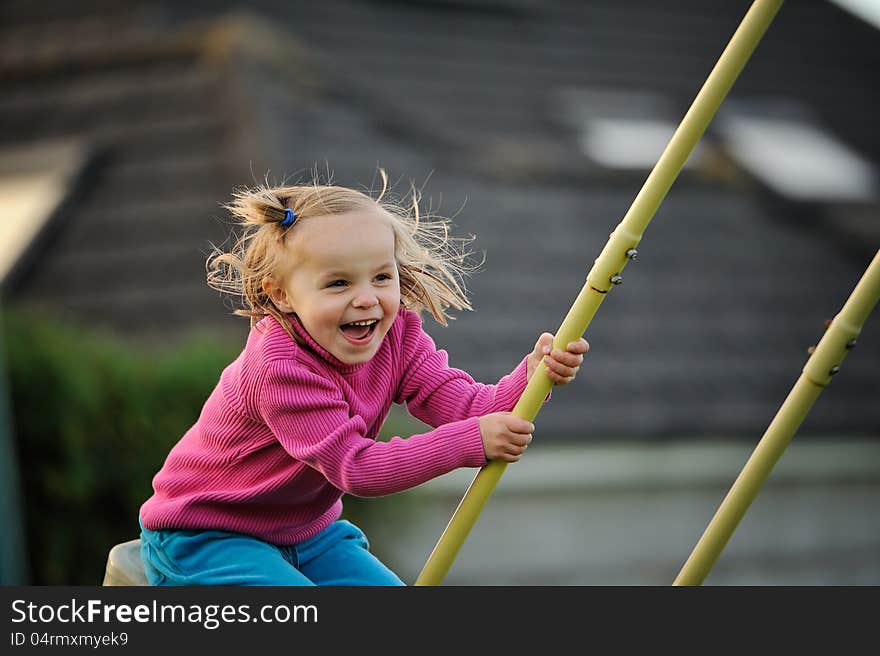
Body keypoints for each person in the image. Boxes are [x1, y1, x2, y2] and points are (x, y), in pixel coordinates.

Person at [138, 172, 590, 585]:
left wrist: (532, 378)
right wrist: (468, 443)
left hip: (307, 534)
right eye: (338, 284)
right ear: (282, 294)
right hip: (208, 535)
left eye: (380, 276)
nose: (366, 299)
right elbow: (358, 467)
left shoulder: (398, 334)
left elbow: (464, 405)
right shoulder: (281, 368)